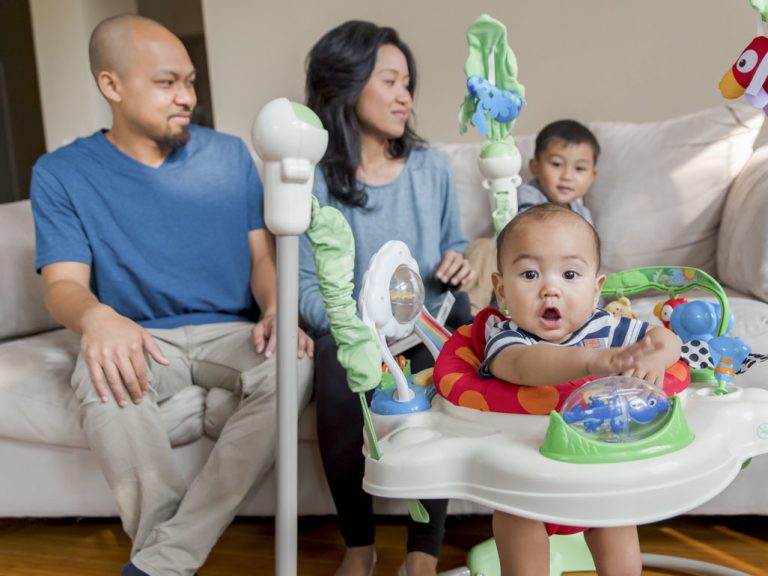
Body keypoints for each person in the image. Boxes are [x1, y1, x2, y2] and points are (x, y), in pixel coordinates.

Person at [30, 14, 313, 576]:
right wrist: (97, 318)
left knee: (294, 365)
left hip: (228, 332)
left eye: (189, 81)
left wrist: (278, 304)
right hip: (139, 337)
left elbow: (262, 258)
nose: (186, 97)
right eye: (167, 83)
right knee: (97, 372)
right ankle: (169, 555)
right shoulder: (61, 174)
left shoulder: (231, 156)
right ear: (111, 85)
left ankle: (161, 562)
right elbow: (62, 285)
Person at [299, 20, 474, 576]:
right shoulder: (313, 180)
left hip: (424, 320)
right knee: (335, 364)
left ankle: (423, 553)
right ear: (345, 85)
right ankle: (360, 545)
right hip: (355, 331)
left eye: (408, 84)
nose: (405, 96)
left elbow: (452, 247)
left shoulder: (432, 168)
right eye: (391, 82)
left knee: (444, 362)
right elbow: (304, 286)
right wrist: (361, 335)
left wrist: (456, 263)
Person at [483, 204, 680, 576]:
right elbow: (523, 366)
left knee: (621, 547)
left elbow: (666, 338)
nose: (550, 288)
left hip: (600, 473)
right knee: (521, 550)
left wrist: (657, 358)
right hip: (524, 482)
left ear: (596, 289)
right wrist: (591, 363)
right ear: (502, 290)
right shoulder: (506, 336)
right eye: (529, 274)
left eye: (570, 274)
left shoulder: (606, 327)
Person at [517, 119, 599, 223]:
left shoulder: (582, 213)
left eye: (579, 168)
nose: (567, 176)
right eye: (557, 164)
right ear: (535, 167)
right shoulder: (528, 195)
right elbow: (528, 228)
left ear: (592, 177)